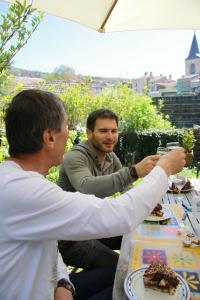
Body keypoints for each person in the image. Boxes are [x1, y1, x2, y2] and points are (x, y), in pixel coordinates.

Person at [0, 89, 185, 300]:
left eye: (114, 131)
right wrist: (164, 168)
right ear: (50, 136)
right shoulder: (22, 190)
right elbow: (119, 214)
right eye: (67, 126)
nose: (69, 133)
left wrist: (63, 282)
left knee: (130, 254)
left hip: (56, 280)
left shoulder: (19, 182)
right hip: (73, 240)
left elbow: (47, 244)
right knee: (129, 280)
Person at [58, 109, 160, 270]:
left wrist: (143, 205)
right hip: (71, 238)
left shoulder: (110, 157)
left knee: (140, 236)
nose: (110, 137)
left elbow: (127, 187)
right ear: (89, 133)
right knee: (120, 267)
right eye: (103, 131)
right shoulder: (76, 156)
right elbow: (86, 187)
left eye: (114, 131)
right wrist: (134, 171)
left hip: (94, 226)